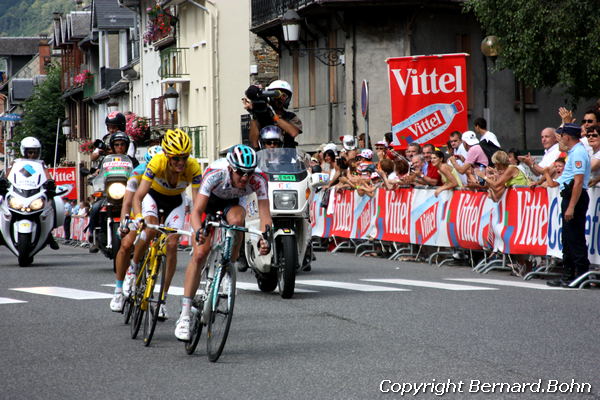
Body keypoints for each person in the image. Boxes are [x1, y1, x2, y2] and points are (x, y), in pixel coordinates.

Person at [174, 145, 272, 341]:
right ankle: (184, 316)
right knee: (201, 253)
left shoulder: (259, 179)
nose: (245, 178)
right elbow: (195, 211)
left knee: (237, 222)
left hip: (234, 203)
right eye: (240, 173)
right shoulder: (215, 173)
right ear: (230, 168)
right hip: (209, 203)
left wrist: (264, 238)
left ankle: (229, 267)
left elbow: (265, 215)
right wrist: (199, 231)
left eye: (249, 173)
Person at [129, 129, 202, 318]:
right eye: (176, 158)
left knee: (171, 244)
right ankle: (133, 268)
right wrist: (138, 217)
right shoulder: (157, 162)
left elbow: (197, 205)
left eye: (184, 158)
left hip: (176, 201)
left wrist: (197, 231)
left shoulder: (193, 167)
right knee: (149, 229)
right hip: (153, 197)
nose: (181, 163)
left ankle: (162, 298)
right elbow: (138, 196)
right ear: (168, 156)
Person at [109, 146, 163, 312]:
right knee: (126, 244)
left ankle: (154, 295)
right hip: (137, 209)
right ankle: (118, 290)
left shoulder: (166, 172)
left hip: (156, 209)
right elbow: (127, 202)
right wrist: (125, 222)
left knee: (161, 250)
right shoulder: (138, 173)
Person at [547, 123, 591, 287]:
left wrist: (571, 206)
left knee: (575, 238)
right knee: (567, 238)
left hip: (575, 197)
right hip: (570, 195)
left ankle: (581, 276)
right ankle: (568, 275)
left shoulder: (578, 153)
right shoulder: (573, 152)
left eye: (562, 135)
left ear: (567, 136)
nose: (560, 138)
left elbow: (578, 182)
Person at [3, 137, 59, 250]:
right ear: (24, 151)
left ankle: (49, 234)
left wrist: (50, 183)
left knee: (52, 204)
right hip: (18, 192)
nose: (33, 154)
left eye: (35, 152)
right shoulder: (16, 163)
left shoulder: (41, 164)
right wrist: (3, 181)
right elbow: (7, 175)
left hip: (35, 193)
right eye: (30, 152)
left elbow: (47, 175)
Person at [88, 131, 134, 253]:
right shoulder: (106, 160)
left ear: (126, 146)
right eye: (117, 144)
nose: (119, 147)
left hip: (127, 194)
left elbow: (141, 173)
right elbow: (99, 172)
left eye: (122, 144)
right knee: (95, 208)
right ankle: (93, 237)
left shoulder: (133, 161)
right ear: (113, 146)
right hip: (108, 194)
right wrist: (94, 175)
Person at [244, 80, 302, 149]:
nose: (280, 98)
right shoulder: (262, 117)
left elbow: (293, 133)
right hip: (265, 156)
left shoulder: (291, 117)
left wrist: (273, 115)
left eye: (284, 96)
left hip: (287, 156)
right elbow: (253, 142)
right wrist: (254, 114)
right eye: (276, 95)